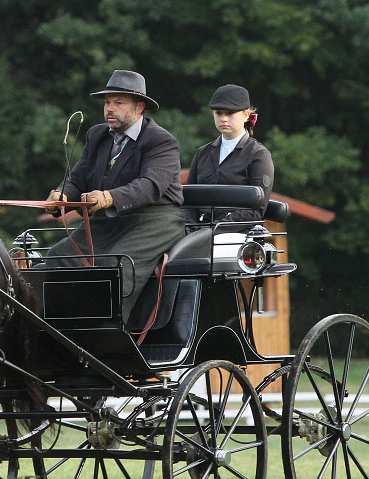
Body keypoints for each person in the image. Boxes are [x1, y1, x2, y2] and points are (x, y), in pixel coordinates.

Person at [43, 69, 184, 322]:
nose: (110, 108)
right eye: (107, 102)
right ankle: (62, 327)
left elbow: (151, 185)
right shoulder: (96, 135)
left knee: (115, 266)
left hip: (154, 221)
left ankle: (109, 336)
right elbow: (78, 178)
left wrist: (109, 198)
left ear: (139, 107)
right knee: (58, 257)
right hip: (108, 222)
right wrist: (62, 195)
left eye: (118, 103)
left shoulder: (161, 141)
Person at [186, 84, 274, 221]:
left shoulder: (259, 155)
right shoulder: (202, 153)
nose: (223, 119)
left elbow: (257, 208)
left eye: (230, 113)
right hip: (198, 232)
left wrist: (215, 230)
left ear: (246, 115)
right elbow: (187, 199)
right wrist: (192, 229)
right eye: (219, 113)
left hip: (238, 233)